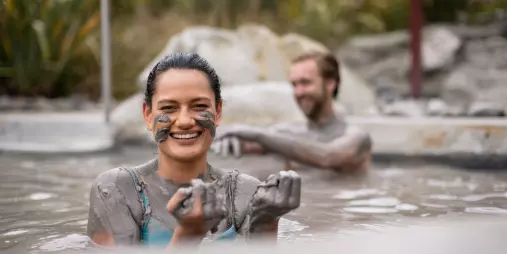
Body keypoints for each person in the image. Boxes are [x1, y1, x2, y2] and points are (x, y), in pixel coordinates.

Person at [86, 53, 301, 249]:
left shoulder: (244, 193)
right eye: (168, 108)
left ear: (217, 112)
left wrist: (265, 224)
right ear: (148, 115)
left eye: (199, 106)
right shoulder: (118, 191)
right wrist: (188, 235)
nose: (185, 121)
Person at [211, 51, 372, 173]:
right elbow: (242, 143)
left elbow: (327, 157)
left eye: (305, 83)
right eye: (294, 85)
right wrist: (230, 139)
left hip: (341, 213)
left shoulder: (356, 137)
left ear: (331, 84)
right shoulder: (287, 132)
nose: (298, 92)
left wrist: (252, 132)